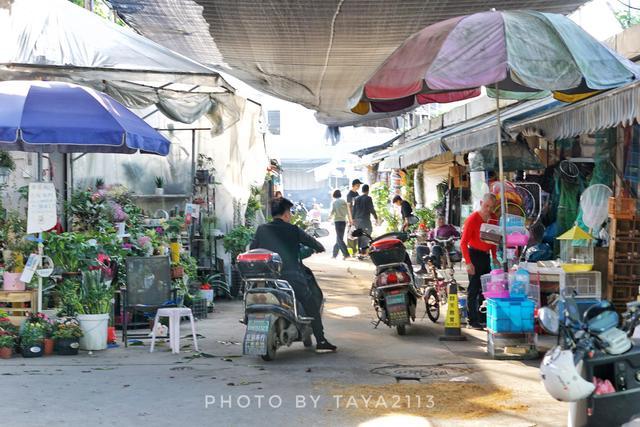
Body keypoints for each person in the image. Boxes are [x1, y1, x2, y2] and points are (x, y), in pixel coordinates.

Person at [250, 198, 337, 352]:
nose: (290, 215)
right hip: (291, 277)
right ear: (285, 214)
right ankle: (321, 340)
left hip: (267, 279)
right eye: (289, 212)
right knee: (310, 303)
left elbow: (252, 249)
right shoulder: (293, 230)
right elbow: (316, 244)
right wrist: (318, 247)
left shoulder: (262, 229)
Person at [460, 193, 498, 330]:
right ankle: (472, 320)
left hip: (485, 256)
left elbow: (494, 240)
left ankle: (483, 318)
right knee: (473, 289)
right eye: (486, 206)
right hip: (474, 254)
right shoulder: (472, 219)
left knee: (486, 289)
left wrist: (494, 257)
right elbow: (463, 243)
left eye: (491, 207)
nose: (488, 209)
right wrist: (468, 262)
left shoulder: (493, 218)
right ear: (481, 203)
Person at [352, 184, 377, 256]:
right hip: (365, 219)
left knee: (359, 234)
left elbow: (354, 209)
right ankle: (363, 250)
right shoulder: (368, 198)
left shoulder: (356, 198)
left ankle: (360, 251)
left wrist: (353, 219)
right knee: (368, 232)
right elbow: (371, 209)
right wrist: (375, 217)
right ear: (368, 190)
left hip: (357, 220)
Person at [329, 190, 350, 259]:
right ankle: (334, 255)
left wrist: (329, 217)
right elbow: (348, 212)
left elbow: (332, 211)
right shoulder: (344, 202)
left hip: (337, 221)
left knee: (339, 239)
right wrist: (350, 220)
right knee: (339, 238)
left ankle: (346, 254)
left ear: (334, 195)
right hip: (343, 221)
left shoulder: (334, 202)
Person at [346, 179, 363, 255]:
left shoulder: (357, 193)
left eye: (359, 185)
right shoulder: (349, 194)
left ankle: (355, 251)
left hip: (357, 217)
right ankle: (351, 252)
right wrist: (350, 218)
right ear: (353, 185)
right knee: (350, 235)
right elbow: (348, 207)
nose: (359, 186)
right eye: (357, 185)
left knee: (357, 234)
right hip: (352, 217)